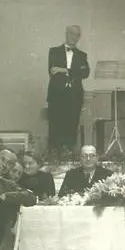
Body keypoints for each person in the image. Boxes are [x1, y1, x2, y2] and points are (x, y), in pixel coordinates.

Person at [46, 24, 90, 153]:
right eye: (72, 34)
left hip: (74, 96)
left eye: (77, 35)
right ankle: (54, 156)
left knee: (71, 127)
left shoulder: (82, 55)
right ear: (66, 33)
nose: (74, 37)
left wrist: (63, 70)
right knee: (55, 126)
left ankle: (69, 156)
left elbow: (85, 73)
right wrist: (74, 71)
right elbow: (52, 70)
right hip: (57, 95)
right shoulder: (54, 51)